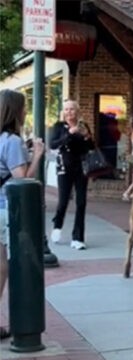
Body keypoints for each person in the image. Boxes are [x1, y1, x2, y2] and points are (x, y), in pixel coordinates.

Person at [0, 89, 45, 340]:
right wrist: (37, 155)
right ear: (15, 111)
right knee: (3, 268)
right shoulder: (12, 141)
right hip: (6, 209)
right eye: (24, 107)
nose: (26, 111)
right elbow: (21, 182)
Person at [49, 100, 94, 250]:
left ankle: (78, 238)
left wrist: (86, 136)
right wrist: (69, 133)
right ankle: (57, 225)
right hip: (64, 167)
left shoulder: (83, 126)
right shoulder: (59, 127)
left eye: (72, 109)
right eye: (66, 109)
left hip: (81, 168)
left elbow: (91, 147)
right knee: (63, 200)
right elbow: (53, 144)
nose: (69, 112)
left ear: (77, 111)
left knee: (81, 202)